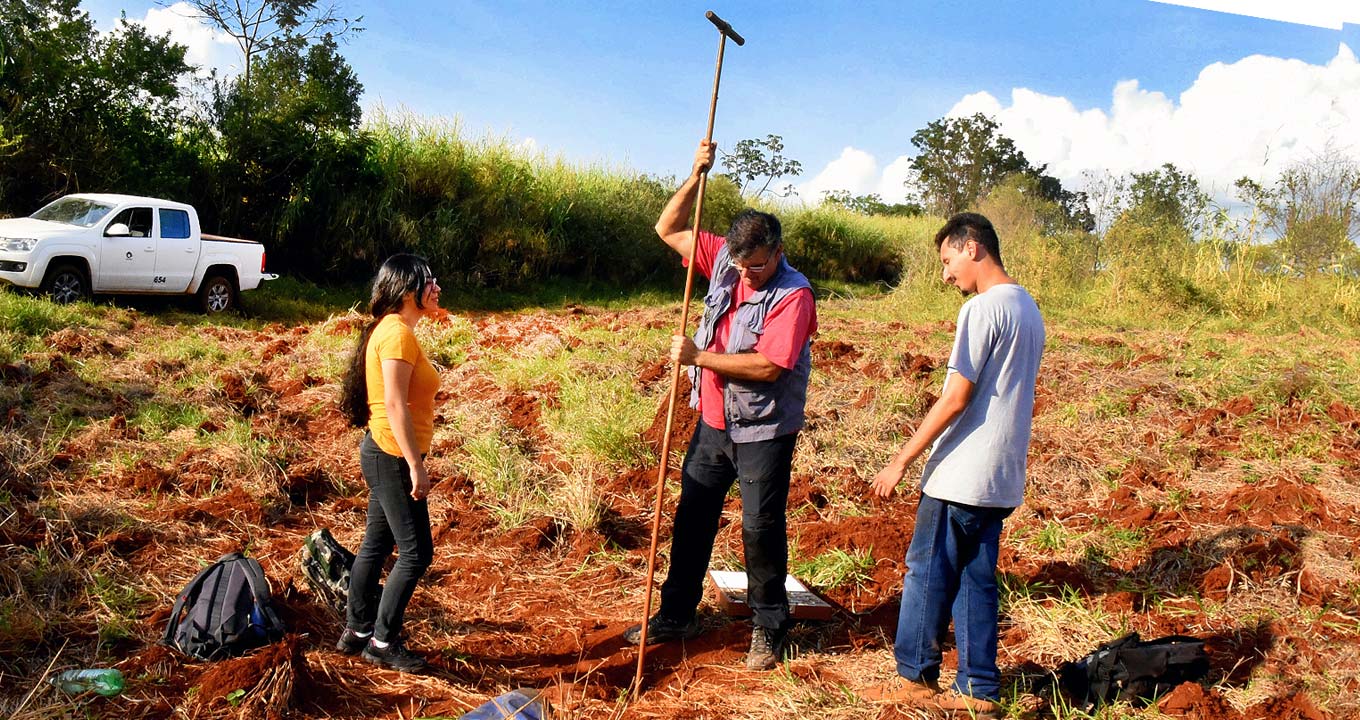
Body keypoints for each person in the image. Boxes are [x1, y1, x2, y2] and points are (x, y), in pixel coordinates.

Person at [624, 140, 818, 671]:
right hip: (713, 422)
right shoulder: (728, 266)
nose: (746, 274)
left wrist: (699, 357)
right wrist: (693, 174)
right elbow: (667, 228)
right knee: (692, 517)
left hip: (763, 428)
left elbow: (769, 366)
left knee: (760, 527)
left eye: (755, 266)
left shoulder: (793, 295)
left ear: (776, 252)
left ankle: (769, 625)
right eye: (739, 264)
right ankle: (676, 614)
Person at [862, 213, 1045, 716]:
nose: (946, 275)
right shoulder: (1028, 307)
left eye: (948, 261)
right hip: (1001, 477)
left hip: (960, 474)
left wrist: (900, 460)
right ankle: (979, 689)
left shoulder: (982, 310)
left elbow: (956, 397)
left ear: (973, 248)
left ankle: (915, 678)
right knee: (976, 578)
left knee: (927, 573)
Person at [335, 254, 443, 673]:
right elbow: (395, 404)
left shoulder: (394, 330)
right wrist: (416, 463)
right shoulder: (396, 333)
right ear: (408, 289)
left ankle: (358, 630)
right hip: (393, 454)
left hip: (381, 452)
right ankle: (382, 641)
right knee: (417, 553)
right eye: (429, 282)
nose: (436, 289)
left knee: (377, 544)